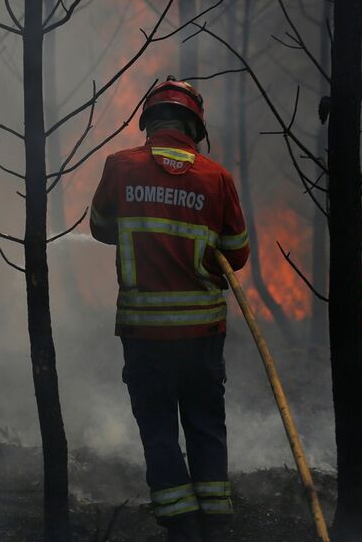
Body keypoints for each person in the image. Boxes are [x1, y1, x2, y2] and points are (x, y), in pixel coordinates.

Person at [89, 78, 250, 542]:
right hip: (201, 333)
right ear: (194, 127)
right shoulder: (216, 178)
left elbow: (101, 228)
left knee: (158, 427)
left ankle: (181, 525)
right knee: (205, 423)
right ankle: (216, 523)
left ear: (149, 123)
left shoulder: (120, 167)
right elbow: (236, 255)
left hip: (144, 334)